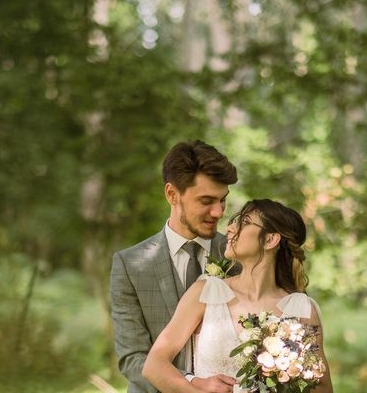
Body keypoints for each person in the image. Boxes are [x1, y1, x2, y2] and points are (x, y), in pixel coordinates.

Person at [142, 199, 333, 393]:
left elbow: (322, 388)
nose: (231, 228)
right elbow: (154, 365)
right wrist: (194, 386)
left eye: (245, 222)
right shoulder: (206, 292)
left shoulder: (301, 309)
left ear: (270, 239)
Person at [110, 140, 239, 393]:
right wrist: (191, 383)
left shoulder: (240, 258)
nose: (218, 212)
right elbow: (133, 358)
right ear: (172, 194)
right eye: (206, 201)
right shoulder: (129, 265)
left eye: (223, 200)